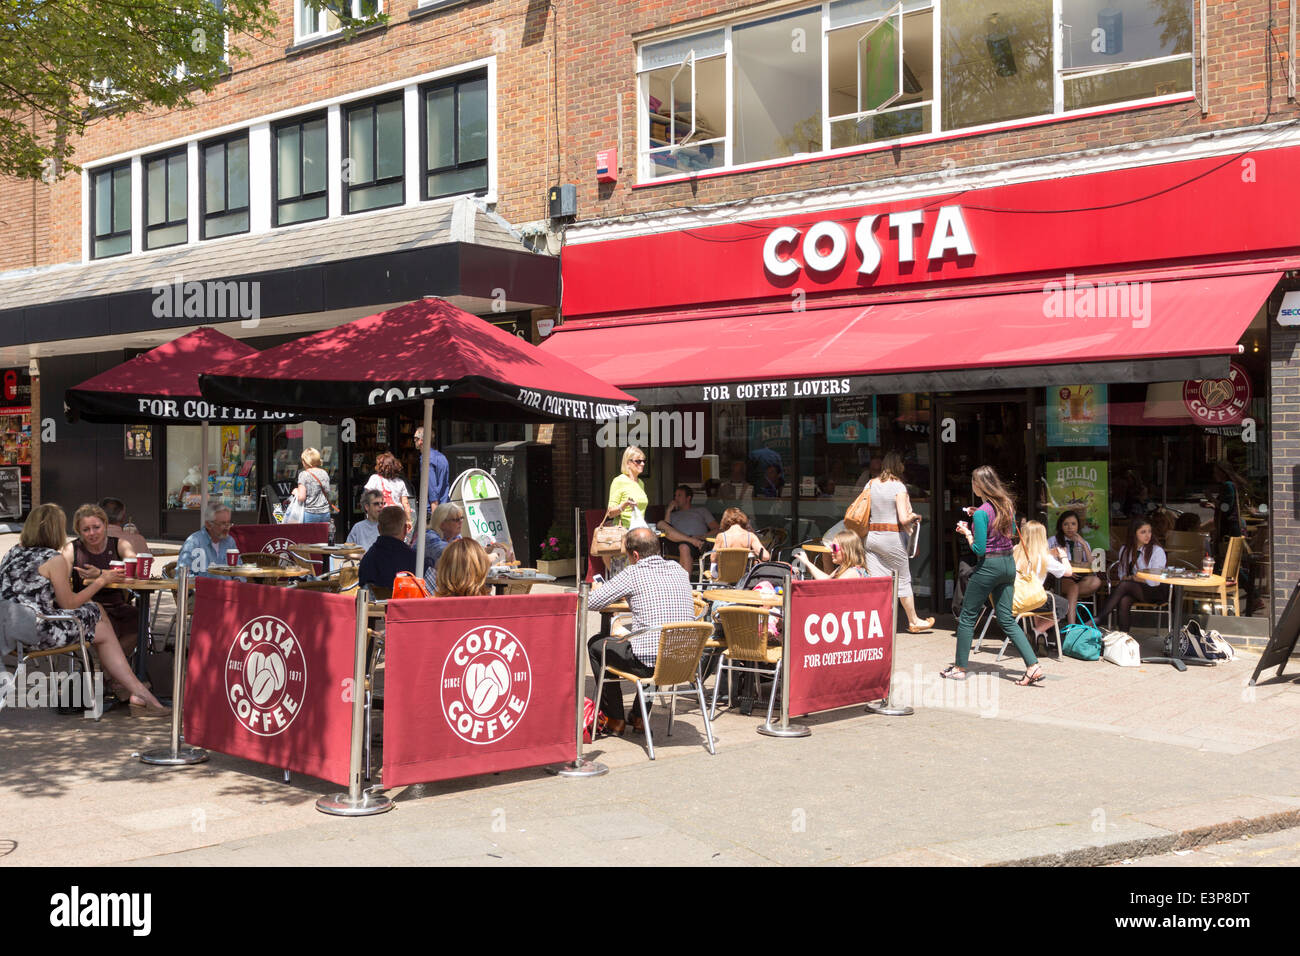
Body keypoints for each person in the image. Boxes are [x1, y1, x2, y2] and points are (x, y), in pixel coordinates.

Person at [0, 504, 168, 717]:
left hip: (7, 629)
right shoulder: (53, 558)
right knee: (97, 612)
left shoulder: (13, 552)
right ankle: (136, 691)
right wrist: (101, 581)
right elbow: (69, 603)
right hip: (36, 631)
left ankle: (123, 683)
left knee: (97, 613)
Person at [588, 527, 694, 736]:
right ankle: (639, 716)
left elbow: (592, 603)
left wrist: (595, 589)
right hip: (683, 662)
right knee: (656, 645)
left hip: (647, 664)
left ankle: (615, 718)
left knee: (597, 644)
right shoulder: (679, 570)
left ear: (635, 555)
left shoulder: (634, 572)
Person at [945, 465, 1045, 686]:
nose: (972, 485)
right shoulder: (1006, 506)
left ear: (979, 485)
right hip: (1008, 564)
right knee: (1007, 618)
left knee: (968, 617)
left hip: (988, 566)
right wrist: (977, 515)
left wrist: (968, 532)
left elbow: (979, 549)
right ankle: (1033, 666)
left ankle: (960, 667)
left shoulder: (982, 513)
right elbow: (1003, 530)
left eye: (973, 482)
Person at [860, 451, 933, 633]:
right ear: (898, 466)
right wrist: (915, 517)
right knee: (903, 580)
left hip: (871, 537)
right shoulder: (898, 487)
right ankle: (914, 621)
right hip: (891, 538)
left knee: (878, 582)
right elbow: (903, 518)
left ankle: (876, 624)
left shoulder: (870, 483)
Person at [62, 503, 139, 656]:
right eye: (86, 529)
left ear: (105, 524)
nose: (92, 533)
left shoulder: (119, 544)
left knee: (140, 619)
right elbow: (59, 578)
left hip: (118, 605)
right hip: (86, 606)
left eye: (96, 527)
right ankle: (114, 674)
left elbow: (134, 569)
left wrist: (100, 574)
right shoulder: (72, 549)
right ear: (79, 531)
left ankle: (106, 673)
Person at [1096, 517, 1169, 632]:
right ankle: (1123, 637)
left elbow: (1155, 581)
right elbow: (1122, 575)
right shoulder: (1126, 549)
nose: (1147, 535)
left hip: (1156, 591)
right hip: (1135, 588)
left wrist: (1134, 578)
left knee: (1125, 585)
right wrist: (1134, 578)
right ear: (1134, 534)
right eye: (1143, 532)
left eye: (1149, 531)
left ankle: (1099, 618)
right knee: (1124, 599)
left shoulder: (1156, 551)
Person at [1015, 520, 1071, 637]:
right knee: (1063, 605)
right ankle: (1037, 631)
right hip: (1031, 600)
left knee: (1042, 597)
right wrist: (1063, 556)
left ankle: (1040, 637)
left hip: (1013, 598)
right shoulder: (1044, 558)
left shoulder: (1015, 550)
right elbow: (1068, 572)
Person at [1048, 510, 1102, 625]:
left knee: (1096, 581)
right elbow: (1048, 563)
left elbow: (1092, 565)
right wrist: (1065, 571)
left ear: (1078, 526)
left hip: (1078, 578)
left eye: (1073, 524)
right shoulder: (1053, 541)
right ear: (1060, 526)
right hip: (1060, 579)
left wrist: (1082, 544)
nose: (1070, 527)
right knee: (1073, 587)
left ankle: (1070, 599)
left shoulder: (1083, 542)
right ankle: (1071, 625)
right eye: (1066, 524)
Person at [605, 445, 649, 576]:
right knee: (623, 575)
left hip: (639, 536)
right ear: (628, 463)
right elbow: (610, 512)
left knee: (640, 576)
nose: (642, 464)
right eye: (638, 461)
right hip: (624, 535)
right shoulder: (619, 481)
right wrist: (623, 506)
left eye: (643, 461)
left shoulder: (640, 483)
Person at [657, 484, 719, 574]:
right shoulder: (673, 514)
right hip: (675, 542)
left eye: (679, 495)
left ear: (688, 498)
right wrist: (668, 511)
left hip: (698, 544)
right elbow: (667, 530)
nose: (676, 498)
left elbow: (717, 529)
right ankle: (690, 540)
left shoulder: (701, 510)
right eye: (675, 496)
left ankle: (685, 585)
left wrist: (702, 536)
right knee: (661, 524)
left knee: (684, 547)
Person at [357, 506, 417, 592]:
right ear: (405, 529)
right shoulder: (415, 559)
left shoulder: (368, 558)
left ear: (379, 529)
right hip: (405, 604)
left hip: (374, 604)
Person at [178, 503, 237, 577]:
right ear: (208, 525)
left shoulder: (230, 541)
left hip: (228, 587)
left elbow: (239, 568)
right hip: (202, 587)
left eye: (228, 523)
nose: (227, 527)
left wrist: (237, 580)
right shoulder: (194, 542)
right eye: (222, 524)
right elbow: (181, 575)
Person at [712, 508, 770, 573]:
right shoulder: (750, 536)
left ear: (725, 520)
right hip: (744, 573)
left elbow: (713, 558)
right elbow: (766, 556)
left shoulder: (721, 536)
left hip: (724, 573)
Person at [796, 529, 870, 579]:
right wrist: (807, 562)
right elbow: (826, 580)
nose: (831, 550)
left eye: (834, 547)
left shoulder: (853, 572)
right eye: (831, 547)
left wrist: (807, 563)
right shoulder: (842, 568)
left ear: (846, 550)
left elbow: (830, 587)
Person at [423, 501, 466, 585]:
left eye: (461, 518)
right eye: (456, 520)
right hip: (426, 590)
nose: (461, 522)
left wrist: (488, 549)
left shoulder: (456, 536)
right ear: (442, 524)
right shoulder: (429, 537)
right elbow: (455, 554)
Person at [365, 452, 411, 526]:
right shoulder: (400, 482)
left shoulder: (374, 479)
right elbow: (405, 503)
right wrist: (408, 520)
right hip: (397, 517)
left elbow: (367, 498)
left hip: (380, 517)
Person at [413, 425, 451, 511]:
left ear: (421, 441)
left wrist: (435, 519)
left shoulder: (426, 458)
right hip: (445, 505)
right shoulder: (442, 456)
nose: (414, 441)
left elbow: (432, 489)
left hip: (434, 511)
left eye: (415, 438)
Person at [294, 448, 332, 524]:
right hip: (325, 513)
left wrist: (296, 492)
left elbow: (301, 497)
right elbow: (327, 492)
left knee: (308, 536)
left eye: (303, 460)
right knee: (323, 536)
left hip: (310, 513)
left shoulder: (304, 475)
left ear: (306, 461)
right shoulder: (324, 473)